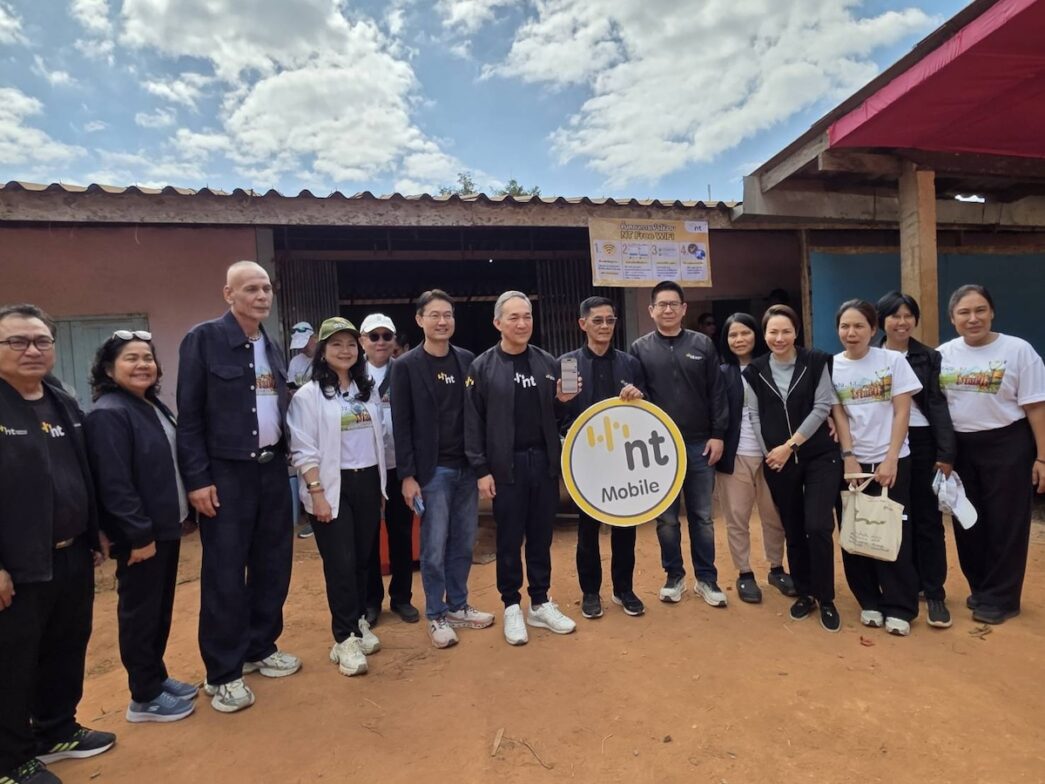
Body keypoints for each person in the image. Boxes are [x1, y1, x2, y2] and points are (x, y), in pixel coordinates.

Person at [176, 260, 299, 714]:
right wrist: (197, 479)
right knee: (225, 573)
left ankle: (260, 647)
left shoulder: (272, 345)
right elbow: (190, 417)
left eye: (266, 287)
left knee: (273, 563)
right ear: (228, 294)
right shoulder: (203, 340)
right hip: (226, 474)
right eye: (250, 288)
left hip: (272, 470)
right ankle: (223, 672)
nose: (261, 296)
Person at [0, 303, 115, 784]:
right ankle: (10, 760)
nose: (32, 350)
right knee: (12, 662)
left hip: (71, 553)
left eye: (41, 341)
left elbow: (81, 471)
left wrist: (95, 530)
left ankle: (56, 729)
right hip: (17, 565)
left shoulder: (61, 400)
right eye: (17, 341)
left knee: (65, 647)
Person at [84, 331, 197, 724]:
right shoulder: (109, 413)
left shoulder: (150, 405)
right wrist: (138, 535)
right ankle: (143, 696)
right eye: (130, 359)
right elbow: (114, 483)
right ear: (108, 369)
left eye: (147, 358)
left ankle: (156, 676)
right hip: (142, 535)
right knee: (140, 612)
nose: (142, 365)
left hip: (163, 527)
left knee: (158, 608)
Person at [465, 291, 579, 645]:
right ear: (498, 323)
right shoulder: (482, 367)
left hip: (542, 463)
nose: (522, 323)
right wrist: (481, 469)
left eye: (527, 316)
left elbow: (557, 417)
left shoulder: (547, 362)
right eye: (513, 317)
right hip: (506, 466)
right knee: (509, 538)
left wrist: (562, 402)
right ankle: (512, 605)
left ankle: (540, 602)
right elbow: (473, 422)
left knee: (541, 536)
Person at [390, 290, 494, 649]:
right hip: (432, 472)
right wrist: (407, 476)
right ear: (420, 320)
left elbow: (478, 413)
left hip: (466, 467)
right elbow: (401, 423)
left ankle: (458, 605)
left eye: (447, 314)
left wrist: (481, 463)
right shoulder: (405, 366)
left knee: (463, 542)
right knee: (433, 547)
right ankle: (435, 613)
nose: (442, 321)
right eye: (434, 315)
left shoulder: (466, 360)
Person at [938, 284, 1045, 625]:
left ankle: (1003, 597)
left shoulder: (1018, 351)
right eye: (964, 312)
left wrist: (1042, 457)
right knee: (967, 520)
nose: (973, 318)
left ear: (992, 312)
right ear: (952, 318)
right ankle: (982, 587)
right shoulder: (943, 355)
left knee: (1006, 523)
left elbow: (1036, 407)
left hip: (1008, 444)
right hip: (961, 448)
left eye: (980, 310)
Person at [287, 318, 386, 675]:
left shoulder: (366, 389)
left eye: (350, 344)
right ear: (322, 351)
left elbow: (379, 437)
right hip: (331, 486)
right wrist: (317, 493)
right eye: (335, 344)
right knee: (340, 563)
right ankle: (343, 639)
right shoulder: (308, 396)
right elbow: (303, 449)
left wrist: (381, 486)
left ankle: (357, 622)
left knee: (362, 559)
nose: (345, 351)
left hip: (367, 481)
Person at [630, 281, 728, 607]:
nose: (668, 309)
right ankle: (674, 577)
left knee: (702, 516)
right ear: (651, 310)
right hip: (658, 448)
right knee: (667, 520)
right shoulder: (640, 349)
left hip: (700, 445)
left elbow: (717, 392)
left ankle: (707, 579)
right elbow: (638, 395)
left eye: (674, 304)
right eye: (662, 304)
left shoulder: (703, 344)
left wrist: (718, 434)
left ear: (684, 309)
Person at [742, 305, 840, 631]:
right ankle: (805, 592)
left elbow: (822, 406)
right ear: (765, 334)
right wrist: (771, 453)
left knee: (818, 526)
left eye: (786, 331)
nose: (780, 338)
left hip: (819, 456)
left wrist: (790, 446)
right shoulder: (754, 371)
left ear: (796, 332)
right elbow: (754, 416)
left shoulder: (816, 361)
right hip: (778, 461)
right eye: (773, 332)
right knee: (794, 528)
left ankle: (826, 597)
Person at [831, 299, 922, 637]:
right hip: (853, 461)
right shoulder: (832, 366)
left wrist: (891, 458)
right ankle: (868, 599)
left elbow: (902, 411)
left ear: (873, 329)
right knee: (855, 529)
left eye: (859, 326)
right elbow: (839, 414)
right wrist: (848, 455)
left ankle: (900, 606)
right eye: (845, 326)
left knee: (893, 530)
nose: (851, 333)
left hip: (892, 459)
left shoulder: (893, 361)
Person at [558, 296, 647, 619]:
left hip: (623, 457)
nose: (605, 326)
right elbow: (561, 415)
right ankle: (590, 592)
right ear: (583, 324)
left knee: (626, 524)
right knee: (588, 529)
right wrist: (561, 402)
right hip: (586, 460)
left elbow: (646, 410)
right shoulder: (568, 364)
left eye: (610, 320)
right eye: (597, 320)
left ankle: (624, 589)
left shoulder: (629, 363)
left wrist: (639, 396)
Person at [876, 292, 957, 628]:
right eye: (895, 316)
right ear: (881, 321)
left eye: (908, 315)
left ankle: (934, 591)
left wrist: (946, 452)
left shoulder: (928, 356)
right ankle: (902, 587)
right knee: (896, 518)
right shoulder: (871, 355)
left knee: (927, 519)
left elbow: (937, 403)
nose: (902, 322)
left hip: (922, 442)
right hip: (884, 445)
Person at [716, 313, 794, 604]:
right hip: (735, 455)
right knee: (737, 517)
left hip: (773, 455)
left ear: (756, 335)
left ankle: (776, 568)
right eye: (733, 335)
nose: (739, 339)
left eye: (745, 333)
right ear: (725, 340)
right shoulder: (721, 373)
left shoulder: (772, 367)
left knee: (774, 515)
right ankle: (745, 573)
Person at [360, 313, 419, 625]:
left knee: (401, 532)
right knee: (369, 534)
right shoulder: (351, 374)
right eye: (374, 336)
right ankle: (371, 601)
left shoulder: (405, 371)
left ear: (394, 341)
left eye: (386, 336)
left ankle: (401, 598)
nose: (380, 342)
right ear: (363, 341)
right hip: (366, 466)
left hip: (399, 465)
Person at [287, 322, 316, 389]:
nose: (303, 349)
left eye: (305, 345)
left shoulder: (327, 358)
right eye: (299, 347)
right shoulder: (295, 362)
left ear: (314, 338)